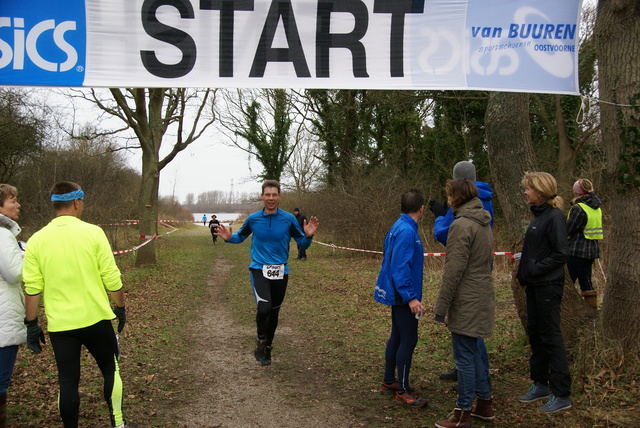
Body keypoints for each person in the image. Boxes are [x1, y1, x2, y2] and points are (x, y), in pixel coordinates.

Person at [22, 181, 133, 428]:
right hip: (96, 318)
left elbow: (32, 287)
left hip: (61, 325)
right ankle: (118, 424)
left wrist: (31, 323)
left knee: (68, 380)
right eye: (82, 202)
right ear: (76, 202)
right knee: (110, 369)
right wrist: (120, 308)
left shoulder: (36, 240)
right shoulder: (93, 233)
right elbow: (112, 278)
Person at [215, 180, 318, 366]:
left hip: (281, 271)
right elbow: (240, 237)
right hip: (259, 269)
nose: (271, 198)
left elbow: (302, 244)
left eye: (274, 195)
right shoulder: (253, 219)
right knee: (264, 307)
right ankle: (260, 339)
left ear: (279, 196)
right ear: (262, 196)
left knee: (274, 312)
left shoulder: (288, 219)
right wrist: (230, 238)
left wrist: (309, 236)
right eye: (267, 195)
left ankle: (268, 347)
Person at [433, 178, 495, 428]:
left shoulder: (461, 225)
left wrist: (440, 307)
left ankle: (463, 413)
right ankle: (484, 404)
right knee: (475, 355)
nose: (448, 200)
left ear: (456, 198)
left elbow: (453, 271)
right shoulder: (483, 221)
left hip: (467, 298)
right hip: (480, 294)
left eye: (449, 196)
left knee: (464, 358)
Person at [516, 172, 572, 413]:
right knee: (536, 334)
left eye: (528, 189)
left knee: (550, 336)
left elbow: (561, 253)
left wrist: (535, 268)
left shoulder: (555, 217)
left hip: (548, 286)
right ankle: (540, 383)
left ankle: (561, 394)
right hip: (534, 286)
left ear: (539, 191)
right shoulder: (538, 216)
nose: (525, 193)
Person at [374, 189, 428, 408]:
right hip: (402, 295)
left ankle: (389, 381)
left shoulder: (399, 226)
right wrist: (411, 298)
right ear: (421, 209)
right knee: (408, 339)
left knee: (397, 336)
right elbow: (399, 268)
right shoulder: (406, 231)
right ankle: (403, 390)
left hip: (398, 293)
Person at [0, 184, 27, 427]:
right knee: (0, 381)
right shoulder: (2, 234)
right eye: (12, 201)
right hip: (3, 320)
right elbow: (13, 274)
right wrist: (28, 257)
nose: (18, 205)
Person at [566, 178, 602, 308]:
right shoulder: (597, 207)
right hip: (591, 250)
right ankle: (592, 310)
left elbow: (569, 229)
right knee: (586, 283)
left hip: (577, 250)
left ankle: (568, 310)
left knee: (567, 282)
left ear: (577, 192)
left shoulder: (579, 208)